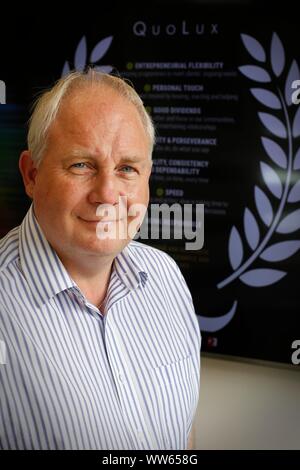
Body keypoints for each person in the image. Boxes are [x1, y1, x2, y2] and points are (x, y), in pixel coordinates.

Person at [0, 70, 201, 450]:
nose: (108, 194)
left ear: (147, 178)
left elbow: (183, 433)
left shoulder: (166, 278)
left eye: (127, 168)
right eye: (81, 165)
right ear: (31, 174)